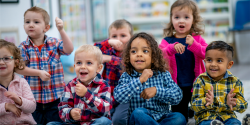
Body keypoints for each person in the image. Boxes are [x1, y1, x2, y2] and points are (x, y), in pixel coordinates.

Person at [114, 32, 186, 125]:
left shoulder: (163, 75)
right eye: (133, 51)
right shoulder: (127, 76)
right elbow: (119, 97)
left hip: (162, 118)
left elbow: (177, 96)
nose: (139, 54)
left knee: (179, 117)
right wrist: (139, 80)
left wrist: (157, 91)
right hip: (139, 120)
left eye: (145, 51)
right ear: (129, 57)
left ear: (153, 57)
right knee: (138, 113)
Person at [18, 6, 74, 124]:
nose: (31, 25)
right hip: (33, 100)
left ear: (46, 28)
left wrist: (61, 30)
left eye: (36, 22)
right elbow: (19, 68)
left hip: (56, 98)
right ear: (24, 26)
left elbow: (69, 49)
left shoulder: (54, 43)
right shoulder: (23, 47)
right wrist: (38, 73)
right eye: (27, 22)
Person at [159, 0, 208, 122]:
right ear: (172, 19)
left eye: (186, 17)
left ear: (193, 20)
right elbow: (158, 56)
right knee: (180, 118)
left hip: (196, 85)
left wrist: (195, 45)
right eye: (177, 17)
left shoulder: (197, 39)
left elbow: (207, 53)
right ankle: (186, 111)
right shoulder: (167, 41)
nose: (181, 20)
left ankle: (192, 110)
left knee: (202, 114)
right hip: (176, 87)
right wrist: (171, 48)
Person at [47, 45, 112, 125]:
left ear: (98, 68)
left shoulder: (103, 85)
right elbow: (62, 109)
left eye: (89, 63)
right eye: (79, 63)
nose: (83, 66)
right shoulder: (71, 85)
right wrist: (70, 113)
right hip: (76, 123)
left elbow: (105, 109)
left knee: (104, 121)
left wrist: (87, 94)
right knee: (51, 124)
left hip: (94, 123)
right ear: (74, 66)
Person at [191, 41, 248, 125]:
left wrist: (234, 103)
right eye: (209, 60)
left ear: (229, 64)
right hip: (206, 118)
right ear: (205, 61)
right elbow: (193, 106)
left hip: (228, 117)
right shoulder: (200, 80)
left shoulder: (235, 82)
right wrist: (205, 101)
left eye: (219, 61)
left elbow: (243, 106)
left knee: (235, 123)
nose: (213, 64)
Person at [94, 19, 133, 125]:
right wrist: (108, 42)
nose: (118, 40)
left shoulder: (133, 52)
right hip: (108, 96)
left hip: (125, 98)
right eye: (114, 36)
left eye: (123, 35)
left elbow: (127, 65)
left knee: (118, 120)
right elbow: (92, 50)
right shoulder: (108, 50)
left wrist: (109, 58)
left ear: (131, 38)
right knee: (102, 119)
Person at [0, 39, 36, 125]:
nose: (1, 62)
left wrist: (19, 100)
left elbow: (32, 107)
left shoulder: (22, 82)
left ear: (16, 63)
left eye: (6, 58)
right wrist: (6, 106)